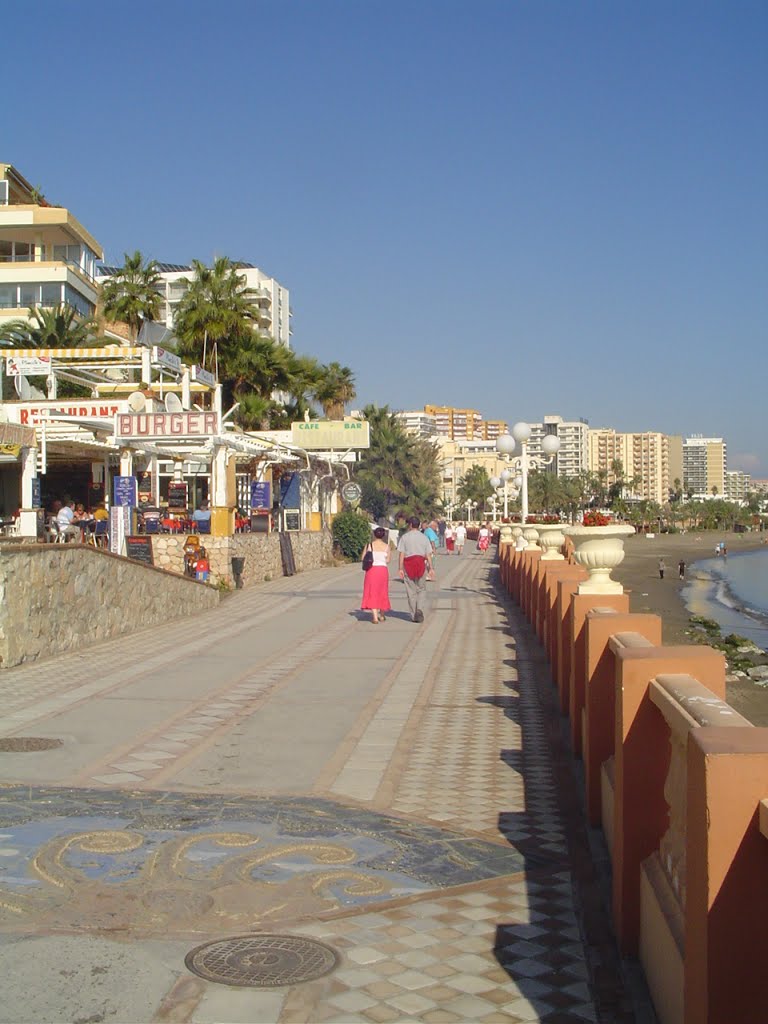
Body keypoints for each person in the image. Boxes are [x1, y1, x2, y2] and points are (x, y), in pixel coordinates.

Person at [397, 516, 435, 623]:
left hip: (409, 564)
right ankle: (420, 609)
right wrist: (431, 568)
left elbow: (401, 554)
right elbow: (428, 554)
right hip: (420, 564)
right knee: (421, 588)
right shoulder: (424, 538)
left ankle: (414, 614)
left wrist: (400, 568)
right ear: (418, 525)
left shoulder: (404, 537)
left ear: (410, 525)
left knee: (411, 590)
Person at [360, 526, 391, 624]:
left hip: (372, 570)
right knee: (382, 591)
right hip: (383, 570)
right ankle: (382, 615)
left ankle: (375, 617)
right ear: (383, 535)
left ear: (374, 534)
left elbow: (363, 558)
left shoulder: (369, 545)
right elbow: (388, 560)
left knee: (372, 591)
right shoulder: (387, 546)